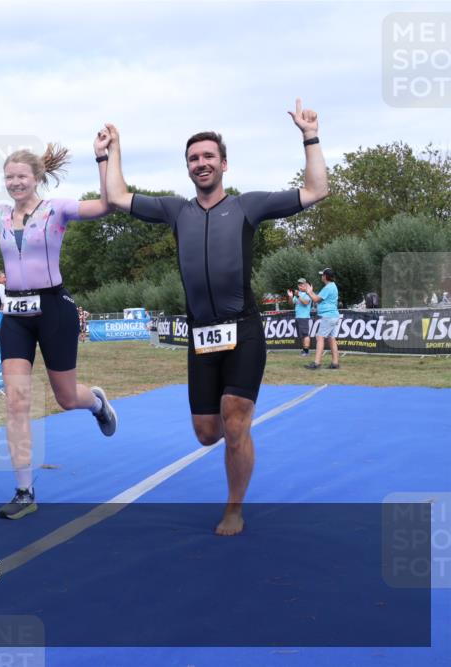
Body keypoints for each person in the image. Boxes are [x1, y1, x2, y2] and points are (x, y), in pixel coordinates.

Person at [103, 98, 329, 536]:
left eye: (208, 156)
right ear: (188, 167)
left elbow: (316, 190)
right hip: (202, 335)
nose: (201, 163)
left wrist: (310, 136)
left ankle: (234, 507)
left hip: (243, 328)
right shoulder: (176, 211)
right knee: (208, 432)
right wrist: (112, 150)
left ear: (224, 163)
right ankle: (236, 444)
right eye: (193, 158)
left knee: (235, 417)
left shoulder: (248, 206)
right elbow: (115, 197)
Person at [0, 131, 119, 520]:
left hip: (54, 309)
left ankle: (96, 402)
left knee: (66, 398)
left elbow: (108, 205)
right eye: (9, 177)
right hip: (16, 318)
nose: (15, 183)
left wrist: (103, 157)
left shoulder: (58, 209)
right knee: (17, 402)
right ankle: (24, 491)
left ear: (36, 177)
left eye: (22, 176)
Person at [303, 268, 341, 370]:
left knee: (319, 337)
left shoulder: (328, 287)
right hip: (333, 316)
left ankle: (317, 363)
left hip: (329, 316)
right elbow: (318, 299)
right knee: (331, 339)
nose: (321, 276)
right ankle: (335, 363)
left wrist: (309, 292)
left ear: (325, 276)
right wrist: (310, 292)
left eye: (322, 275)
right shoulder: (332, 286)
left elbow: (315, 299)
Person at [287, 278, 313, 355]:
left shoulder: (308, 293)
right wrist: (290, 296)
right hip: (298, 317)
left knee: (305, 334)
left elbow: (306, 302)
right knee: (302, 335)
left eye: (302, 285)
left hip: (304, 317)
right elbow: (291, 304)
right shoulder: (298, 294)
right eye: (299, 285)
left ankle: (306, 351)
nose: (300, 286)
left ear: (306, 285)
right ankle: (304, 349)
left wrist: (298, 295)